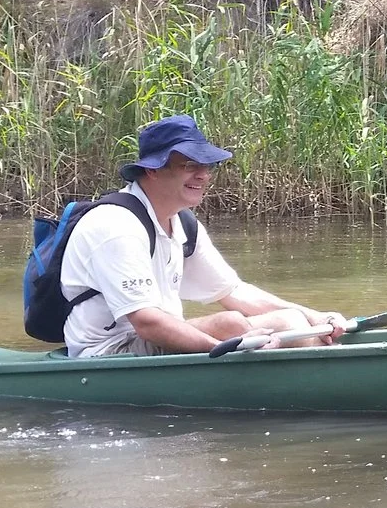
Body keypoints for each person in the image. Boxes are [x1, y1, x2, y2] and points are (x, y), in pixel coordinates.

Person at [59, 115, 348, 357]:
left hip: (152, 339)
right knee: (232, 325)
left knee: (289, 320)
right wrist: (224, 348)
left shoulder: (182, 222)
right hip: (107, 352)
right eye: (189, 166)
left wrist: (314, 315)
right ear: (152, 171)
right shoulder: (115, 225)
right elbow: (147, 323)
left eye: (206, 166)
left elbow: (233, 292)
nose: (203, 176)